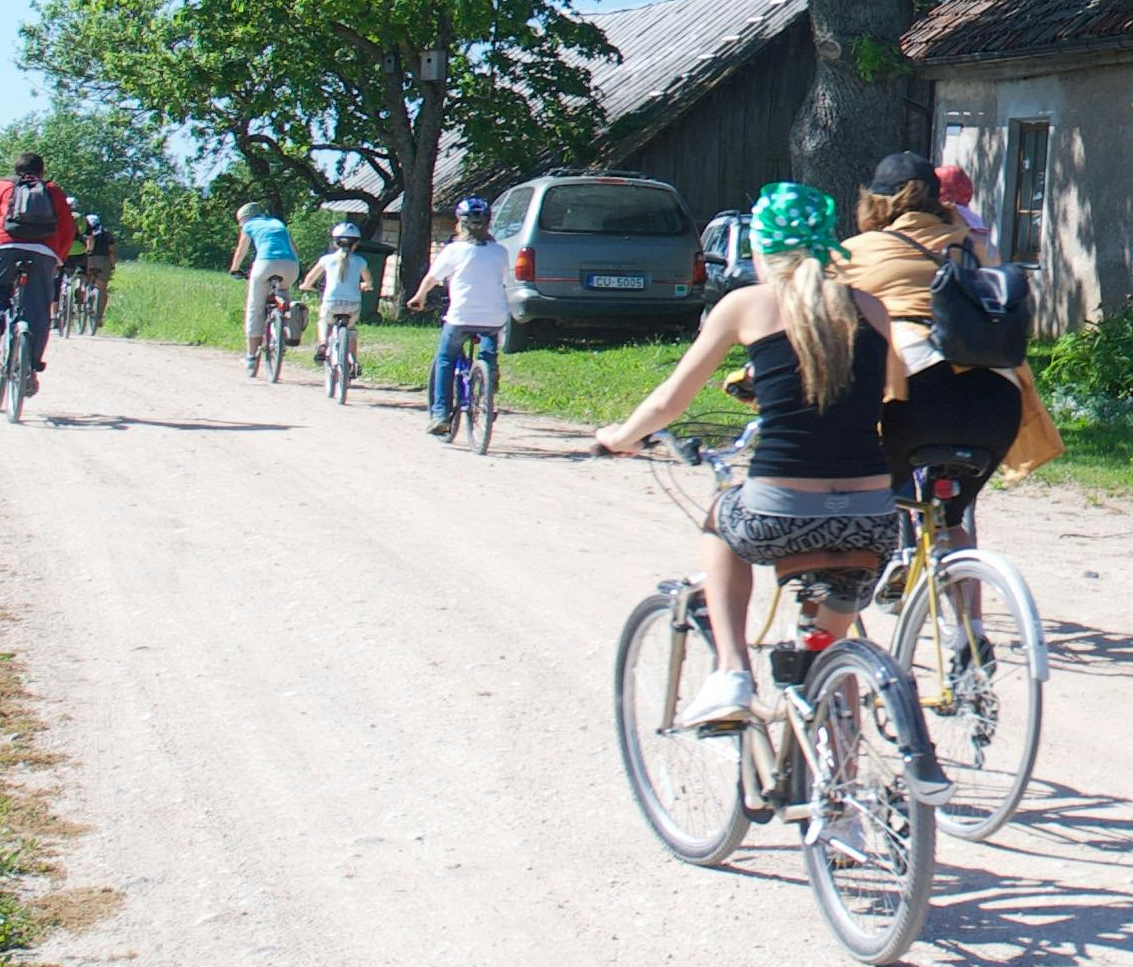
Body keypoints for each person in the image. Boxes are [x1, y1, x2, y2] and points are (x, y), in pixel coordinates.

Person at [593, 184, 910, 729]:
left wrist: (620, 436)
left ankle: (732, 672)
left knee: (720, 522)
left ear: (760, 250)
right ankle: (835, 764)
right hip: (873, 518)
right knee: (827, 655)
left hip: (779, 513)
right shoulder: (871, 308)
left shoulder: (745, 305)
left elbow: (670, 402)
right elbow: (891, 390)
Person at [835, 151, 1060, 508]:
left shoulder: (853, 253)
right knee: (952, 519)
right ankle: (954, 543)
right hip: (998, 398)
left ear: (874, 203)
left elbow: (818, 325)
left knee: (865, 506)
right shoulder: (976, 247)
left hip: (915, 393)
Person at [0, 152, 78, 390]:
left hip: (6, 246)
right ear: (42, 171)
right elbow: (68, 228)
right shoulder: (52, 190)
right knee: (39, 307)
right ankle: (30, 365)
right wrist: (58, 259)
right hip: (44, 251)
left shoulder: (3, 186)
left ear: (16, 170)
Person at [414, 197, 515, 437]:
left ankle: (441, 414)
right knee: (488, 348)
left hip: (461, 317)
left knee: (445, 359)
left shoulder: (454, 250)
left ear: (460, 223)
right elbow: (504, 279)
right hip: (494, 317)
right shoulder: (500, 252)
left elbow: (432, 279)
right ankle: (488, 382)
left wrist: (419, 297)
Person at [229, 201, 301, 374]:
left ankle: (251, 357)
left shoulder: (249, 226)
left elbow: (241, 251)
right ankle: (285, 324)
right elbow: (295, 250)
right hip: (291, 266)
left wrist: (234, 269)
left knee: (255, 308)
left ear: (245, 219)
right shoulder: (278, 223)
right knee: (282, 292)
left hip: (265, 264)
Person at [303, 221, 376, 365]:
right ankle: (353, 362)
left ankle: (323, 344)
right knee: (351, 330)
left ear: (335, 243)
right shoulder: (360, 261)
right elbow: (369, 281)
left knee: (324, 321)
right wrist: (366, 286)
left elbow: (310, 278)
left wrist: (306, 286)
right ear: (356, 244)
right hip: (353, 305)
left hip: (332, 303)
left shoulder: (326, 260)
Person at [78, 221, 120, 330]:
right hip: (103, 261)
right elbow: (111, 251)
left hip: (89, 260)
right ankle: (99, 317)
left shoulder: (84, 232)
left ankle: (82, 302)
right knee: (102, 289)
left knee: (85, 280)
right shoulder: (107, 234)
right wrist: (113, 265)